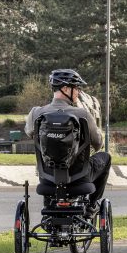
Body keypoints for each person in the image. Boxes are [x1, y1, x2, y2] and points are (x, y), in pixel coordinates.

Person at [25, 69, 110, 210]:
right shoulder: (83, 114)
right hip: (79, 177)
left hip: (47, 176)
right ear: (65, 88)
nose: (78, 92)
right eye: (76, 88)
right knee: (105, 157)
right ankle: (92, 204)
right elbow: (98, 144)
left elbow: (30, 133)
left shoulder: (36, 113)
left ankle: (50, 206)